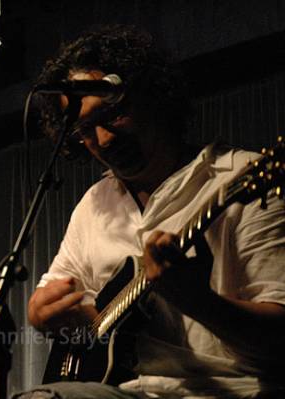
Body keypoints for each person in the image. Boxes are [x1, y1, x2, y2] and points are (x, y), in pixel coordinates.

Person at [18, 25, 285, 398]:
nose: (104, 139)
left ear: (152, 96)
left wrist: (199, 302)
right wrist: (44, 315)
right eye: (85, 130)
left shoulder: (241, 178)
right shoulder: (94, 205)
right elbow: (61, 296)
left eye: (113, 112)